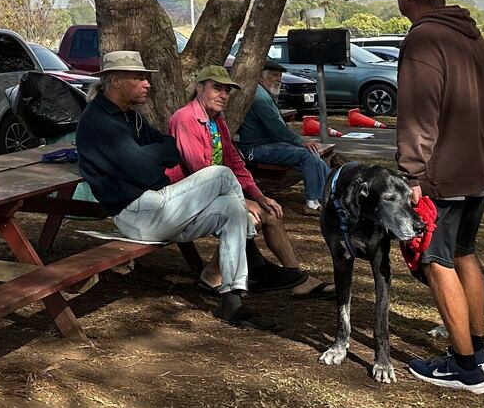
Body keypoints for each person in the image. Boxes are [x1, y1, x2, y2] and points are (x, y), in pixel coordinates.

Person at [75, 50, 276, 331]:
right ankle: (255, 260)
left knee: (231, 209)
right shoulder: (99, 122)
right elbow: (148, 169)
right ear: (116, 80)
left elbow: (169, 146)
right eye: (140, 78)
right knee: (220, 174)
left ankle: (233, 303)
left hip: (157, 205)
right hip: (136, 214)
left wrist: (152, 155)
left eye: (147, 78)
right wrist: (154, 157)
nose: (148, 84)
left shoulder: (129, 116)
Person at [388, 0, 484, 393]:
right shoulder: (474, 38)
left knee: (436, 260)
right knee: (465, 253)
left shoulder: (423, 38)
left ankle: (465, 367)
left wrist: (411, 173)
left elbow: (419, 111)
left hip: (443, 175)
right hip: (480, 168)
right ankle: (479, 349)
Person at [166, 67, 332, 299]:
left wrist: (258, 195)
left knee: (270, 212)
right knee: (249, 220)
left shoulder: (217, 119)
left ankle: (297, 279)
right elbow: (202, 174)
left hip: (215, 192)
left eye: (227, 90)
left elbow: (234, 161)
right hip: (188, 197)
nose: (223, 95)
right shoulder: (185, 119)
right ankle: (213, 274)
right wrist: (241, 201)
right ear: (199, 88)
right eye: (217, 88)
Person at [236, 61, 331, 214]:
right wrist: (301, 142)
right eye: (274, 75)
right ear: (260, 77)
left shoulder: (263, 93)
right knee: (307, 155)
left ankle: (330, 196)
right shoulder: (258, 96)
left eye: (280, 75)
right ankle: (312, 203)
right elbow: (277, 127)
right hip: (256, 149)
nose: (279, 79)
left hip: (270, 144)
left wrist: (301, 143)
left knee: (314, 155)